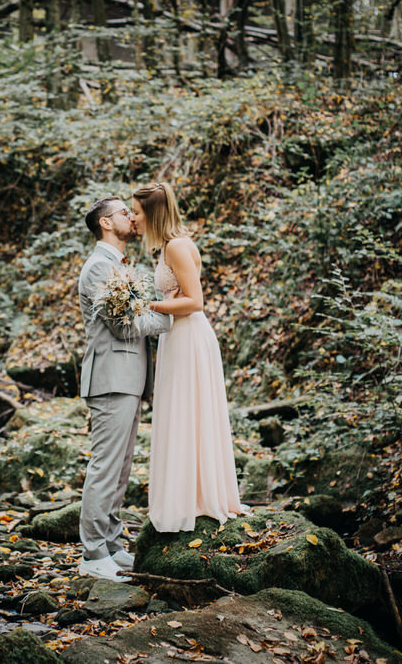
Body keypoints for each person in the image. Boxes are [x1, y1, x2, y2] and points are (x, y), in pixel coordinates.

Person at [130, 182, 246, 533]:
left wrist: (146, 304)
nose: (133, 219)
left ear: (152, 214)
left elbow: (195, 301)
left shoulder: (178, 246)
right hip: (176, 336)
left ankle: (198, 499)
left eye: (136, 212)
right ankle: (186, 496)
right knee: (181, 414)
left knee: (188, 413)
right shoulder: (168, 247)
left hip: (190, 336)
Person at [77, 196, 173, 581]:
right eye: (123, 213)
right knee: (105, 466)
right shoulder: (98, 268)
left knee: (120, 468)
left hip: (128, 379)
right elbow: (124, 326)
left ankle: (113, 545)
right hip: (110, 378)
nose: (131, 218)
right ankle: (92, 553)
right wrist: (170, 318)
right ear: (104, 223)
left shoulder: (118, 265)